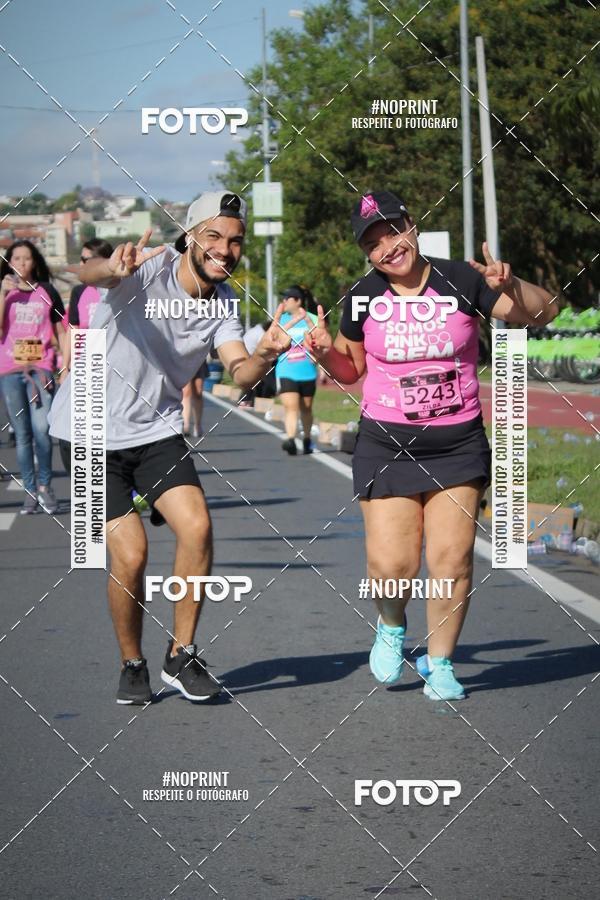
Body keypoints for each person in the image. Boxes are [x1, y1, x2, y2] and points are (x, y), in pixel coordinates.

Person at [48, 191, 303, 706]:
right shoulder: (147, 269)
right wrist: (108, 266)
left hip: (155, 431)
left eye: (234, 241)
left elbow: (239, 372)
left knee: (199, 527)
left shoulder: (225, 302)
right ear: (189, 236)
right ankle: (132, 662)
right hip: (88, 430)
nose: (225, 250)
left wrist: (267, 353)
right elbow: (86, 276)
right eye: (213, 236)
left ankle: (180, 655)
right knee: (133, 554)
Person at [305, 190, 557, 701]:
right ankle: (392, 625)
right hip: (387, 443)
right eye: (373, 244)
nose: (387, 248)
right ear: (366, 254)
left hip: (457, 443)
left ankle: (440, 663)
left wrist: (512, 286)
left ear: (411, 226)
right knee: (391, 566)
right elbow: (351, 371)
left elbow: (544, 312)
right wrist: (325, 353)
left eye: (392, 232)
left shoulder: (462, 279)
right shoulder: (361, 296)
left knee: (452, 558)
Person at [0, 240, 65, 515]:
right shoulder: (6, 294)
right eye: (16, 258)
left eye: (26, 258)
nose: (21, 263)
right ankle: (29, 491)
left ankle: (45, 487)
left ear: (34, 262)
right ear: (9, 262)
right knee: (23, 433)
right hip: (10, 370)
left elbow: (62, 330)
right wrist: (3, 296)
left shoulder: (47, 291)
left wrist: (66, 366)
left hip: (42, 369)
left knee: (42, 430)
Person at [275, 285, 319, 455]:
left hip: (307, 370)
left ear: (298, 301)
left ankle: (307, 438)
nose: (284, 302)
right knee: (290, 406)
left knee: (306, 407)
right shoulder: (281, 320)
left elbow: (320, 342)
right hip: (286, 370)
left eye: (287, 298)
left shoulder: (313, 319)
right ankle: (291, 439)